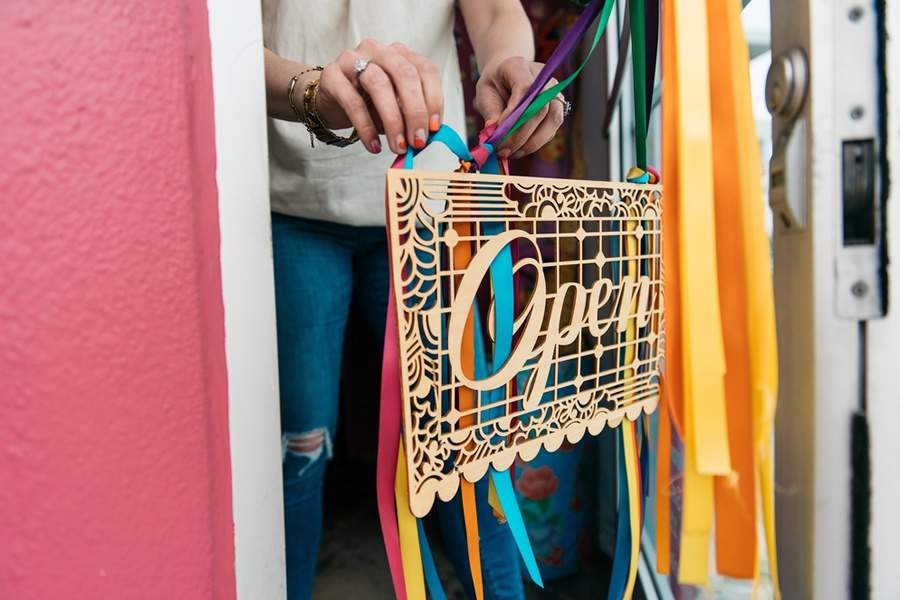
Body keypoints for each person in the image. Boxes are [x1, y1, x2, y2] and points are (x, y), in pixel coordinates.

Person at [261, 1, 566, 597]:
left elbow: (496, 12)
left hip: (427, 207)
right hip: (291, 198)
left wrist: (507, 63)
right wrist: (310, 91)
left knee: (463, 440)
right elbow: (223, 47)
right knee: (299, 447)